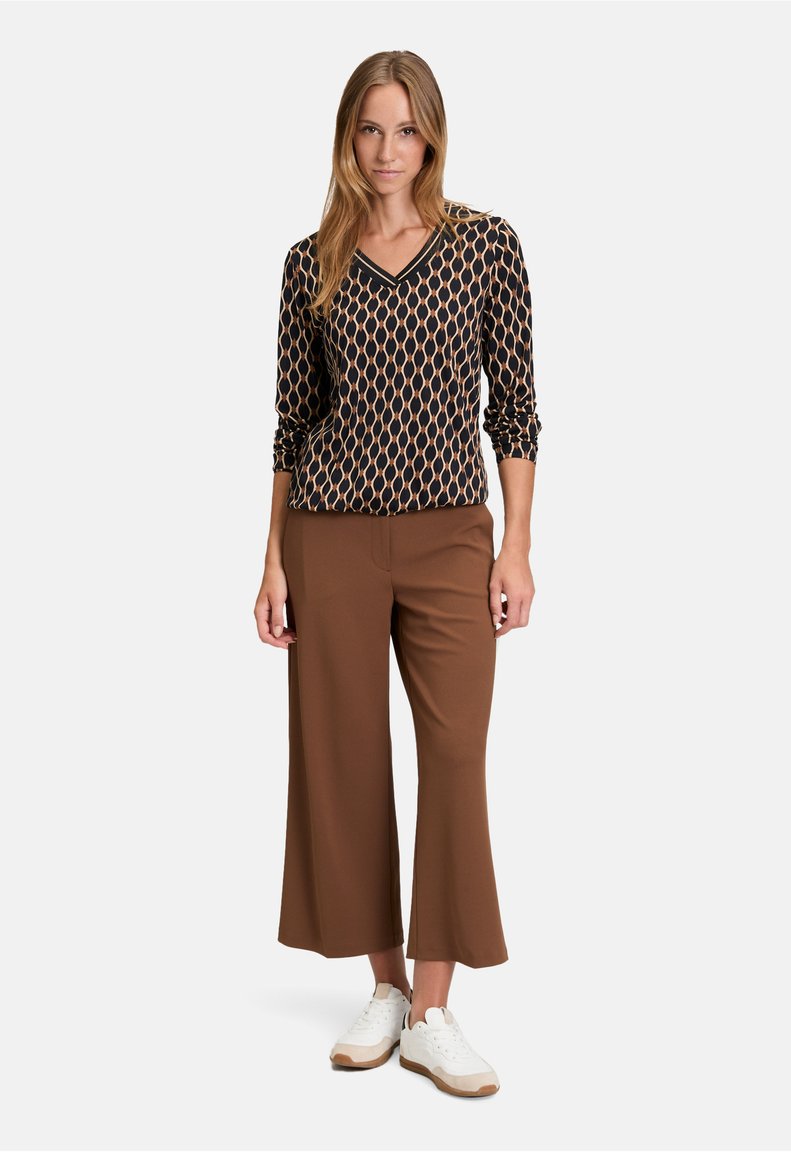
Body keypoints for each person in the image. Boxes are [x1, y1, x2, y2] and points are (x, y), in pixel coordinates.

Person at [253, 50, 542, 1099]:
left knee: (454, 758)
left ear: (432, 136)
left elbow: (515, 407)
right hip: (327, 535)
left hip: (449, 536)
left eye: (405, 129)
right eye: (370, 129)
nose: (386, 151)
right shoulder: (311, 262)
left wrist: (515, 545)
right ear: (348, 137)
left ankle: (432, 1011)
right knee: (343, 761)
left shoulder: (485, 246)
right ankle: (383, 986)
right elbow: (291, 424)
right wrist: (271, 560)